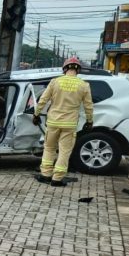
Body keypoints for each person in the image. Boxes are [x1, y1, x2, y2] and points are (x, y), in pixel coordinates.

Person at [33, 56, 94, 187]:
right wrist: (89, 121)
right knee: (64, 151)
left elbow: (43, 100)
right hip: (70, 124)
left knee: (49, 148)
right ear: (78, 70)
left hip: (53, 122)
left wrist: (36, 114)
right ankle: (57, 179)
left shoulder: (55, 82)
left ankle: (45, 175)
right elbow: (89, 105)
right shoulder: (84, 85)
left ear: (65, 68)